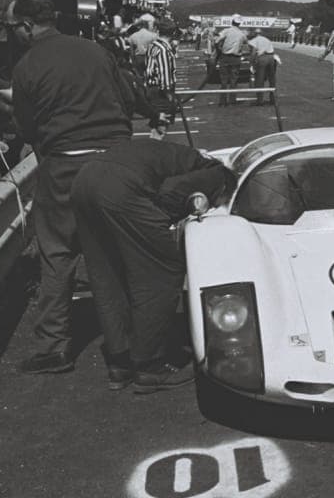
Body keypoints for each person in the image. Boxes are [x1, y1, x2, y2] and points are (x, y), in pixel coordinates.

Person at [4, 0, 137, 376]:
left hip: (65, 165)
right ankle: (129, 346)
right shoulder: (96, 51)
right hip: (117, 162)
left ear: (27, 26)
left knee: (58, 253)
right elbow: (127, 100)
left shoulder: (27, 66)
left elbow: (27, 129)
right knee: (118, 252)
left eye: (12, 27)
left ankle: (53, 347)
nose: (12, 34)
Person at [71, 138, 236, 393]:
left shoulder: (179, 156)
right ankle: (149, 365)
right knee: (161, 267)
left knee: (107, 272)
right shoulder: (217, 175)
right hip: (120, 187)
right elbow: (170, 193)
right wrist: (162, 221)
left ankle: (120, 361)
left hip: (84, 180)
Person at [143, 19, 179, 138]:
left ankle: (152, 150)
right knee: (161, 127)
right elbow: (165, 75)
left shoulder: (153, 46)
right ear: (173, 33)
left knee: (156, 126)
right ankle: (153, 153)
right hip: (161, 92)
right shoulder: (164, 50)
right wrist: (169, 95)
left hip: (152, 88)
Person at [213, 14, 249, 106]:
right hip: (236, 58)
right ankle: (232, 101)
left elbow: (216, 41)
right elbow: (246, 42)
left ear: (232, 22)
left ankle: (222, 101)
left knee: (224, 80)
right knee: (234, 80)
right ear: (239, 24)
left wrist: (219, 50)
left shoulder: (226, 31)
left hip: (225, 57)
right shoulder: (242, 34)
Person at [247, 28, 281, 106]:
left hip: (262, 58)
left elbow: (253, 53)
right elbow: (272, 50)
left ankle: (260, 100)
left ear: (254, 34)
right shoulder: (267, 40)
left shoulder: (254, 41)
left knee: (260, 79)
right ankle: (273, 99)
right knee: (272, 79)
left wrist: (251, 63)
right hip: (271, 58)